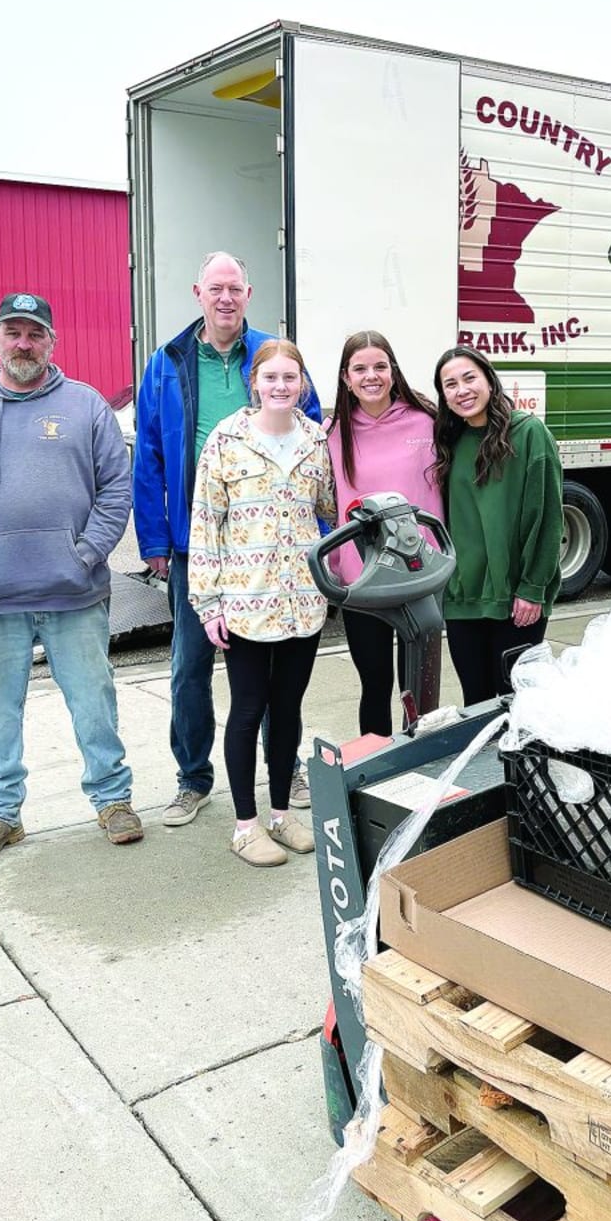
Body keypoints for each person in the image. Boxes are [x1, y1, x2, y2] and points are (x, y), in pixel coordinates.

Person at [0, 293, 141, 864]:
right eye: (13, 332)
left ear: (52, 341)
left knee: (94, 702)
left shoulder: (85, 407)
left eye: (35, 333)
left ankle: (112, 799)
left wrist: (86, 554)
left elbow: (117, 489)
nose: (24, 343)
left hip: (74, 593)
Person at [133, 252, 322, 826]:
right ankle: (193, 778)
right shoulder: (168, 361)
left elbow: (313, 445)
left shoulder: (273, 358)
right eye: (215, 288)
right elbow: (149, 453)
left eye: (234, 288)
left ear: (248, 292)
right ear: (198, 293)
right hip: (200, 546)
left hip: (275, 553)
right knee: (191, 666)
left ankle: (283, 769)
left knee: (271, 673)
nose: (225, 298)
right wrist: (155, 539)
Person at [188, 339, 336, 867]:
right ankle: (245, 826)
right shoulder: (226, 441)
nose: (280, 386)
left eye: (290, 378)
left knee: (289, 709)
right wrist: (208, 604)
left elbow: (330, 511)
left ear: (302, 384)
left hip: (302, 601)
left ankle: (280, 813)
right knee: (248, 709)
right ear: (255, 381)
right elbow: (205, 523)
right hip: (246, 602)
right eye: (270, 377)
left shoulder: (316, 440)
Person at [325, 330, 443, 737]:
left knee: (420, 689)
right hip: (364, 582)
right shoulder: (332, 432)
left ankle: (421, 763)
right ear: (345, 377)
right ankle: (377, 771)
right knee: (375, 685)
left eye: (379, 366)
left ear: (393, 371)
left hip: (419, 576)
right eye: (360, 368)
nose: (370, 376)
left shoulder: (427, 421)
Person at [432, 345, 564, 705]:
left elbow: (549, 515)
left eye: (469, 377)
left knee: (516, 705)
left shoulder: (530, 433)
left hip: (516, 599)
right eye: (450, 384)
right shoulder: (449, 442)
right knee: (475, 706)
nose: (462, 390)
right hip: (463, 598)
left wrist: (533, 587)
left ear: (489, 379)